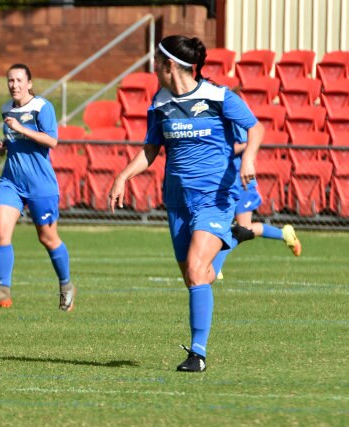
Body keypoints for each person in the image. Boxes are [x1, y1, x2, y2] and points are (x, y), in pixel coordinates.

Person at [109, 35, 263, 372]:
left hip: (215, 198)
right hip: (178, 202)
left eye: (154, 62)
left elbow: (255, 127)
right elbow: (151, 148)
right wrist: (123, 176)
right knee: (197, 276)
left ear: (168, 66)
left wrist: (249, 158)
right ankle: (234, 238)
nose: (152, 68)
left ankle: (198, 354)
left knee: (196, 270)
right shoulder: (160, 102)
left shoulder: (218, 96)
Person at [0, 63, 76, 311]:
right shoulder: (5, 108)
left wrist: (21, 129)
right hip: (12, 182)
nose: (14, 85)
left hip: (40, 184)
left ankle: (66, 285)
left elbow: (51, 140)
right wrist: (2, 149)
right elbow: (13, 145)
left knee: (47, 238)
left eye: (19, 80)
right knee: (2, 230)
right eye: (10, 81)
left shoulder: (42, 107)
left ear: (29, 83)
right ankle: (3, 290)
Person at [211, 138, 302, 278]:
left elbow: (249, 143)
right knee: (222, 225)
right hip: (224, 185)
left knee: (242, 229)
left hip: (243, 184)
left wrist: (216, 150)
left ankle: (215, 266)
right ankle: (283, 234)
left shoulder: (237, 123)